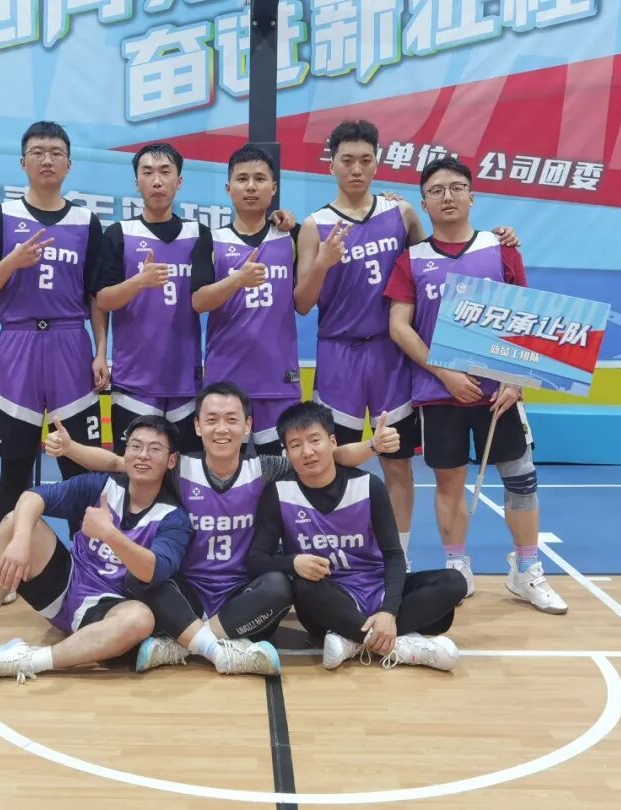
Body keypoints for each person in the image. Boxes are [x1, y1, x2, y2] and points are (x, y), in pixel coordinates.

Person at [47, 381, 401, 676]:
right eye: (211, 420)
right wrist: (70, 448)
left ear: (247, 426)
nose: (221, 429)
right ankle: (212, 646)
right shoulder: (178, 467)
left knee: (280, 585)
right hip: (187, 591)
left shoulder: (264, 468)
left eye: (231, 420)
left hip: (241, 595)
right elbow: (116, 462)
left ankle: (183, 645)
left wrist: (373, 446)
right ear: (197, 426)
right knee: (141, 578)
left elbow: (330, 457)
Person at [295, 120, 519, 569]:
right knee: (334, 460)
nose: (356, 169)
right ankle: (337, 552)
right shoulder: (315, 225)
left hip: (389, 354)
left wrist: (502, 240)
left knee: (396, 461)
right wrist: (322, 263)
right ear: (331, 164)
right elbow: (302, 303)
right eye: (347, 160)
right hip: (337, 353)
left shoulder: (401, 215)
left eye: (365, 160)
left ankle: (398, 558)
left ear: (377, 163)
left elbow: (437, 262)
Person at [384, 156, 568, 614]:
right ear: (424, 203)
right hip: (439, 394)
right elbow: (399, 326)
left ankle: (527, 570)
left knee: (521, 478)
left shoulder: (500, 249)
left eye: (456, 187)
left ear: (472, 196)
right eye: (436, 190)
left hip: (499, 394)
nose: (447, 196)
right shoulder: (412, 260)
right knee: (449, 483)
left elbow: (526, 320)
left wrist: (515, 380)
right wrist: (444, 372)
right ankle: (456, 567)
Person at [0, 416, 192, 683]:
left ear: (171, 460)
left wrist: (109, 534)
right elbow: (33, 496)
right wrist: (21, 540)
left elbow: (153, 571)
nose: (143, 455)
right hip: (65, 585)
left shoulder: (174, 518)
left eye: (154, 449)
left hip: (108, 609)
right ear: (125, 451)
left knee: (140, 619)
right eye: (136, 446)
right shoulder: (101, 485)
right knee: (15, 521)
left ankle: (28, 660)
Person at [247, 402, 468, 671]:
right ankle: (398, 644)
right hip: (328, 598)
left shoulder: (368, 485)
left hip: (376, 586)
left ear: (332, 442)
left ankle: (355, 640)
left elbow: (393, 555)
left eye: (315, 440)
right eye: (295, 445)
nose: (307, 451)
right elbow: (256, 559)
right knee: (302, 586)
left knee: (453, 582)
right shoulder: (279, 494)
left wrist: (389, 610)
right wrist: (292, 562)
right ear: (286, 452)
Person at [0, 121, 109, 546]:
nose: (47, 160)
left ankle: (87, 562)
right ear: (23, 162)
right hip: (19, 342)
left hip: (71, 342)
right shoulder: (1, 217)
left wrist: (101, 351)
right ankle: (11, 560)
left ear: (68, 163)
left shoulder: (87, 221)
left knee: (80, 466)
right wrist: (12, 262)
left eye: (55, 152)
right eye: (37, 152)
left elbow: (97, 296)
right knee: (15, 464)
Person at [94, 143, 207, 454]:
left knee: (185, 471)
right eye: (148, 172)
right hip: (135, 381)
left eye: (165, 172)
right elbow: (103, 300)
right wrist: (139, 282)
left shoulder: (199, 234)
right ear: (137, 182)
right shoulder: (119, 233)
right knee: (134, 470)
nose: (157, 180)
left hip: (186, 381)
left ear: (179, 181)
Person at [191, 145, 300, 455]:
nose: (251, 187)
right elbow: (198, 301)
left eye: (259, 179)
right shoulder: (210, 240)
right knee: (225, 470)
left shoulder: (292, 236)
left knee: (280, 473)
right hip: (226, 382)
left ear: (273, 188)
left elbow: (306, 300)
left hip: (279, 379)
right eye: (242, 179)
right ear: (229, 188)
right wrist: (237, 280)